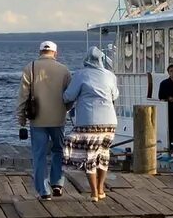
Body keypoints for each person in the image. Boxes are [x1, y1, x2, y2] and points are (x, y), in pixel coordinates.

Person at [63, 47, 120, 201]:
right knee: (104, 155)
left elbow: (68, 96)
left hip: (88, 122)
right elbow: (115, 94)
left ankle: (94, 192)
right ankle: (101, 189)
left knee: (90, 156)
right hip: (109, 121)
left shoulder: (81, 75)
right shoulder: (110, 75)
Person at [16, 40, 71, 199]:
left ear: (40, 52)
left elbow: (22, 96)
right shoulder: (64, 70)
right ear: (55, 52)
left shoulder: (30, 68)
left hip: (37, 119)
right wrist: (65, 109)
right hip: (58, 118)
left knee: (39, 154)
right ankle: (57, 183)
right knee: (58, 151)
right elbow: (70, 96)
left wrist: (21, 118)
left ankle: (43, 190)